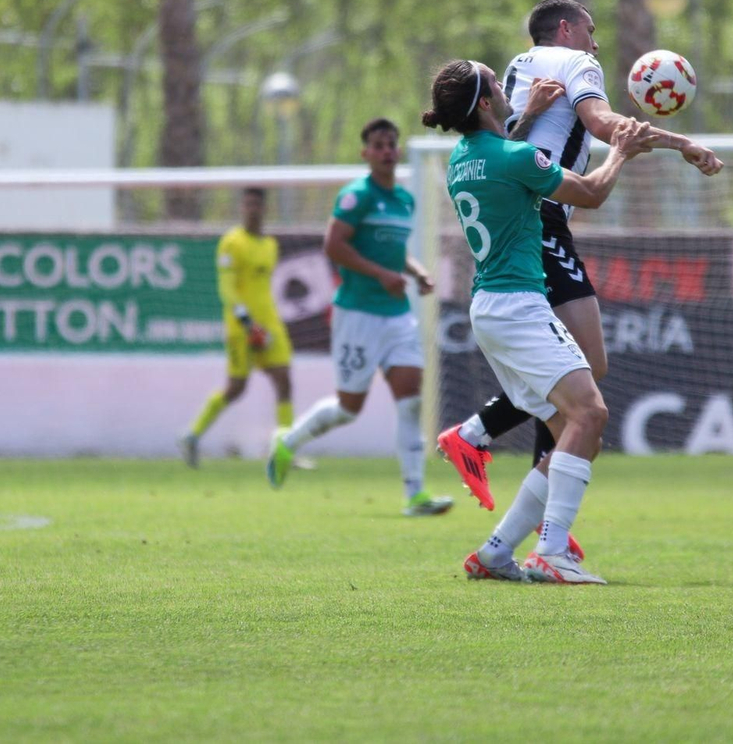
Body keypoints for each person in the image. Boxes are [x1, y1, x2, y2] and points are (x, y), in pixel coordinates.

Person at [436, 0, 723, 512]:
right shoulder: (576, 62)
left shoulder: (519, 67)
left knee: (577, 378)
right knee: (586, 372)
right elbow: (602, 122)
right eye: (591, 31)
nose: (597, 43)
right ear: (565, 29)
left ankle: (519, 494)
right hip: (541, 221)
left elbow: (506, 143)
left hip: (527, 217)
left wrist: (537, 113)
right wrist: (681, 142)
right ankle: (482, 444)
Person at [424, 58, 653, 584]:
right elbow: (592, 193)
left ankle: (496, 551)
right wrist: (620, 150)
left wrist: (527, 117)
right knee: (590, 414)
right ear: (485, 102)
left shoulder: (464, 156)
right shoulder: (518, 156)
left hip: (489, 308)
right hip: (520, 305)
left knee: (573, 433)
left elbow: (500, 154)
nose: (512, 90)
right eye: (498, 84)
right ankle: (552, 552)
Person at [266, 119, 454, 517]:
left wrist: (414, 271)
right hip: (357, 314)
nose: (387, 151)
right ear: (365, 153)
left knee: (410, 401)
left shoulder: (405, 200)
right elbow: (333, 246)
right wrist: (381, 275)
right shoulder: (356, 197)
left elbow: (393, 251)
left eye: (391, 144)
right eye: (379, 145)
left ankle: (415, 494)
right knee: (349, 407)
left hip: (397, 315)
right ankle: (288, 442)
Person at [180, 188, 294, 466]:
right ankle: (192, 436)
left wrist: (264, 325)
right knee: (236, 388)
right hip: (241, 327)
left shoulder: (270, 245)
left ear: (264, 208)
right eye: (247, 204)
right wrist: (246, 322)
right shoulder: (231, 243)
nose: (252, 209)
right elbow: (227, 289)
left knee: (284, 380)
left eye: (257, 204)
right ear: (241, 207)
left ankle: (283, 451)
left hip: (269, 325)